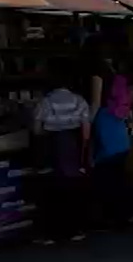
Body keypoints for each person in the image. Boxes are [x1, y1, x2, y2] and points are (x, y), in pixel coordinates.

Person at [31, 59, 92, 244]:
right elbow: (86, 130)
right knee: (72, 191)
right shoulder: (79, 100)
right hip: (72, 148)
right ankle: (75, 231)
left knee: (51, 193)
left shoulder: (45, 102)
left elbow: (36, 130)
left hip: (52, 148)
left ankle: (50, 234)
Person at [87, 41, 133, 227]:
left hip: (105, 128)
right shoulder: (116, 73)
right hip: (119, 130)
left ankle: (109, 218)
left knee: (105, 177)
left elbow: (95, 103)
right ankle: (125, 215)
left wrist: (86, 124)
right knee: (119, 175)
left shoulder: (97, 74)